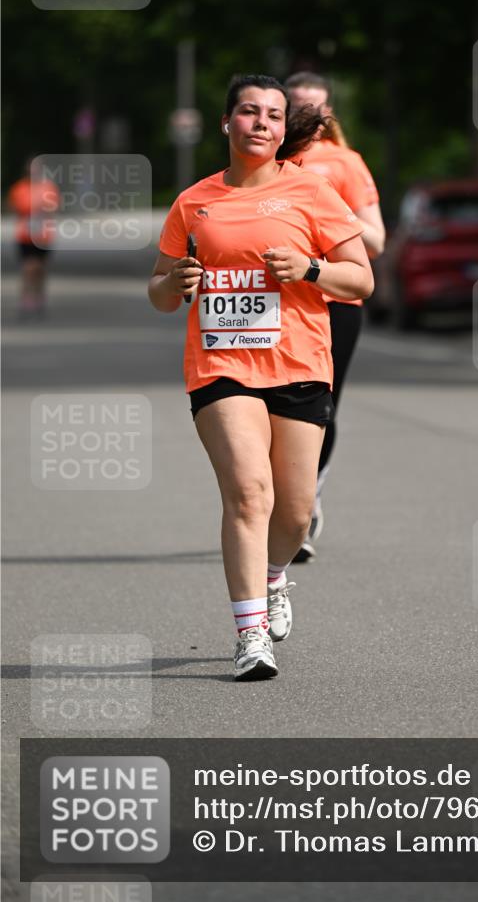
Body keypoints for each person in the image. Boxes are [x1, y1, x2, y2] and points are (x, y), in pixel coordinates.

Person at [148, 74, 373, 681]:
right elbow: (159, 292)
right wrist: (175, 284)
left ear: (282, 128)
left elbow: (361, 280)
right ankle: (251, 637)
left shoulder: (313, 192)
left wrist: (310, 268)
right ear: (228, 123)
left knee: (294, 513)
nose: (262, 124)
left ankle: (275, 578)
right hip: (220, 364)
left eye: (274, 115)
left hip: (299, 364)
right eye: (249, 112)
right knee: (249, 493)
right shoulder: (194, 201)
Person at [285, 72, 385, 561]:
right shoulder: (265, 161)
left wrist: (326, 211)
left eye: (317, 109)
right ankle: (276, 506)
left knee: (318, 408)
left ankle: (303, 506)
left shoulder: (345, 163)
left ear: (330, 114)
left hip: (336, 304)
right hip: (277, 303)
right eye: (298, 108)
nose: (310, 118)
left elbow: (378, 240)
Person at [7, 159, 60, 318]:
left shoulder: (48, 188)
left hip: (43, 236)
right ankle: (26, 299)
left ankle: (39, 297)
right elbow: (13, 207)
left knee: (40, 269)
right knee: (28, 268)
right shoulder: (19, 188)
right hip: (25, 235)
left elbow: (54, 206)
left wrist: (42, 207)